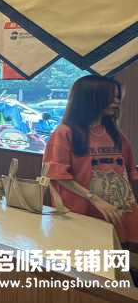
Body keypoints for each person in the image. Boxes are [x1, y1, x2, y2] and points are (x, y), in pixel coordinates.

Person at [43, 75, 138, 250]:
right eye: (112, 97)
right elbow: (58, 176)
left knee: (118, 264)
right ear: (92, 98)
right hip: (82, 217)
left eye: (118, 97)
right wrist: (95, 199)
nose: (117, 102)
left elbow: (131, 173)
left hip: (119, 216)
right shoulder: (64, 133)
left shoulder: (116, 134)